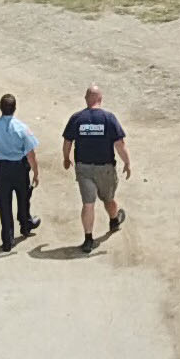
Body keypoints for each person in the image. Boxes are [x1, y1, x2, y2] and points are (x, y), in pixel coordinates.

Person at [62, 83, 130, 248]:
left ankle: (88, 239)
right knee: (108, 199)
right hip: (105, 168)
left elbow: (67, 141)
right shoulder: (109, 118)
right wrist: (127, 162)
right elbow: (119, 144)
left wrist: (66, 157)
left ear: (86, 99)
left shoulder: (77, 118)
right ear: (100, 99)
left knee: (88, 204)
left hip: (83, 168)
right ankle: (114, 220)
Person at [0, 93, 40, 250]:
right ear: (15, 109)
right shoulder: (22, 128)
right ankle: (25, 225)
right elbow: (31, 154)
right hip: (19, 168)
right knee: (23, 197)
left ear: (0, 108)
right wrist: (36, 173)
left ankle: (7, 240)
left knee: (4, 204)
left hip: (1, 169)